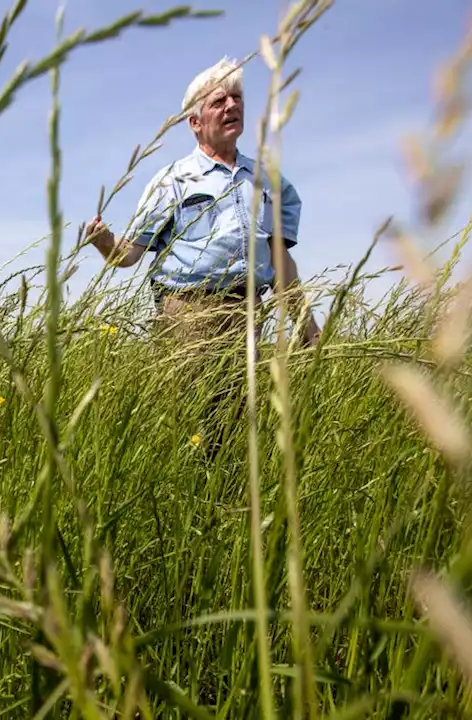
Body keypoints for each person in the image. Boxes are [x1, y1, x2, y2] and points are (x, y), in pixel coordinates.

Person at [85, 56, 320, 458]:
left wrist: (307, 326)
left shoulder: (268, 180)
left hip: (247, 312)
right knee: (188, 426)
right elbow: (128, 256)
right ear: (195, 122)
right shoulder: (172, 180)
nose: (232, 106)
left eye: (237, 98)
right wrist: (104, 241)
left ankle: (226, 508)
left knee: (234, 429)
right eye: (218, 102)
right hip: (187, 315)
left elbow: (280, 263)